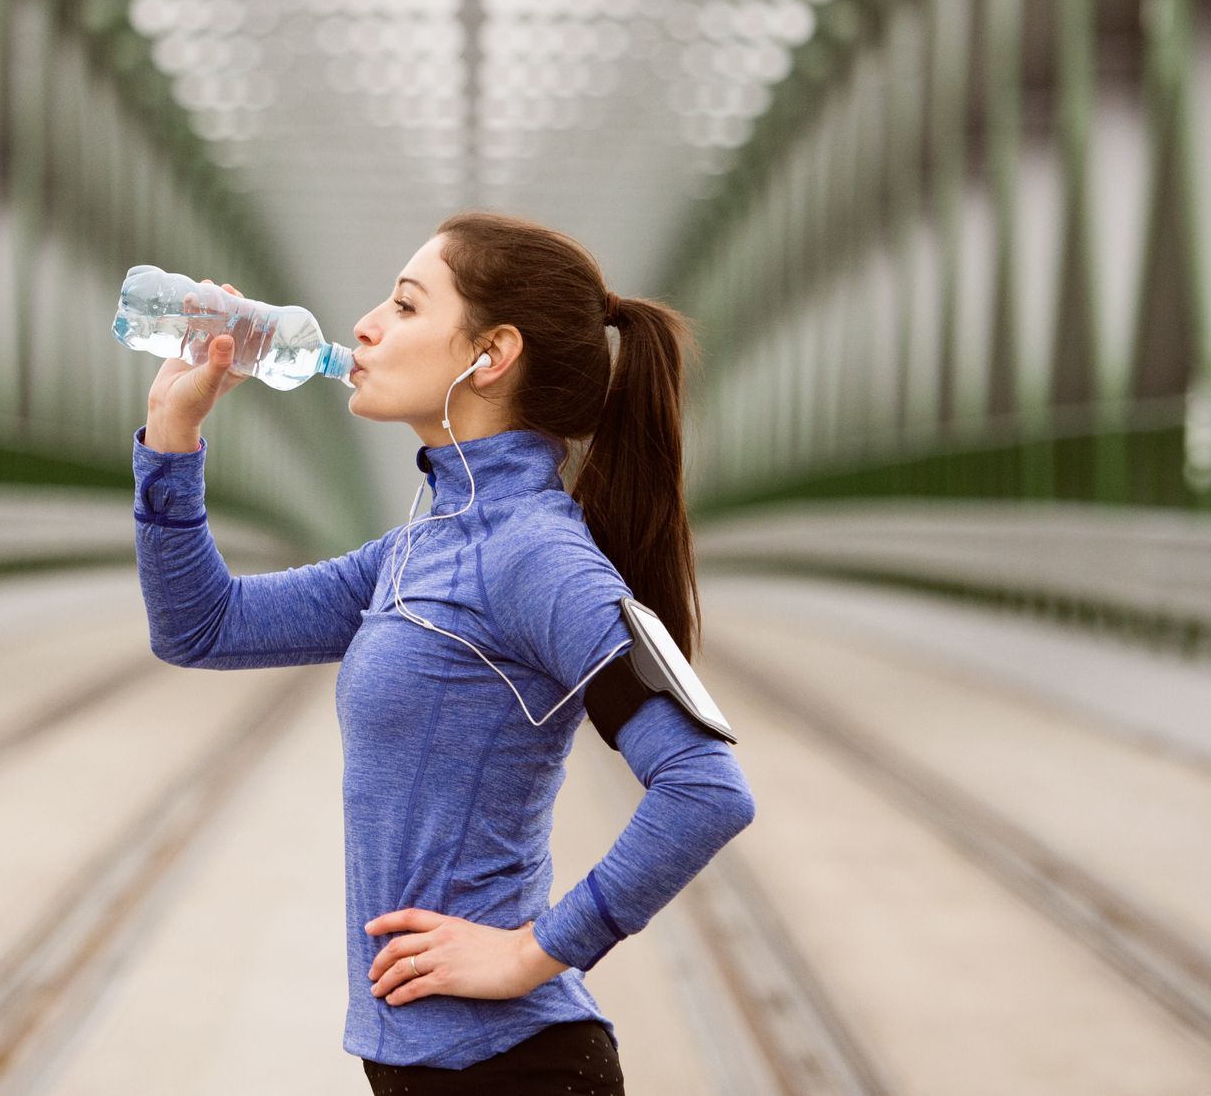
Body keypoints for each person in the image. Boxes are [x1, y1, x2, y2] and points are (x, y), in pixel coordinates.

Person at [132, 211, 756, 1094]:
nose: (364, 325)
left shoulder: (537, 557)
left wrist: (532, 953)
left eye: (405, 304)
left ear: (491, 353)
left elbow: (705, 788)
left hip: (510, 1066)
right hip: (421, 1065)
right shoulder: (415, 550)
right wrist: (171, 432)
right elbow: (200, 627)